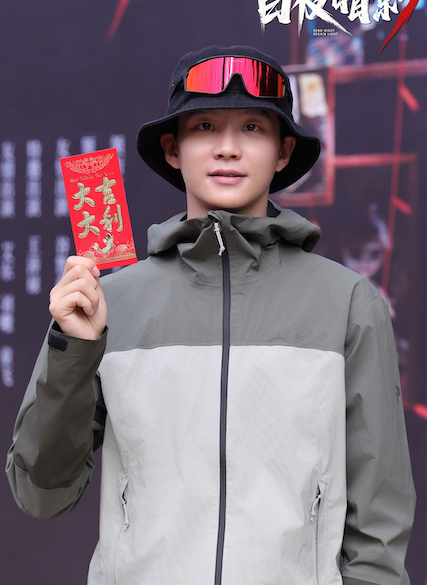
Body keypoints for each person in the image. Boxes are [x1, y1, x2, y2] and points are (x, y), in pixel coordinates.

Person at [6, 45, 415, 585]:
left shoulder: (347, 302)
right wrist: (74, 347)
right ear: (173, 149)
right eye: (204, 126)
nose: (227, 147)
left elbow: (379, 523)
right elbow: (41, 495)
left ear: (283, 151)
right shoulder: (108, 303)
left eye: (252, 127)